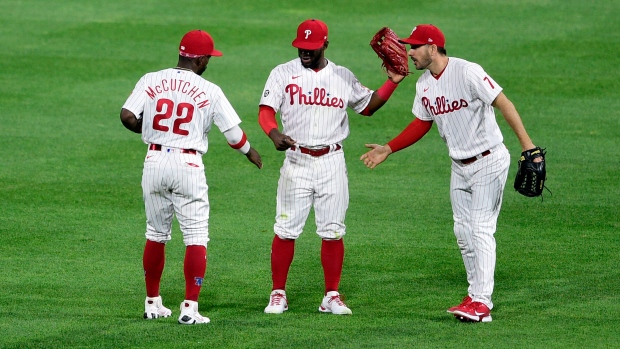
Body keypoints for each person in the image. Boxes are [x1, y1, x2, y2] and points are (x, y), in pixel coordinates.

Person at [360, 24, 541, 323]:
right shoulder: (424, 85)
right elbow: (422, 123)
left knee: (481, 228)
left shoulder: (467, 72)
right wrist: (388, 149)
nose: (409, 52)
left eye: (415, 47)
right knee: (462, 232)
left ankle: (482, 303)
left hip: (489, 160)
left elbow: (503, 102)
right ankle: (473, 295)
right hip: (459, 165)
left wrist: (528, 146)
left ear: (433, 48)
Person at [258, 19, 405, 315]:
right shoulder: (282, 73)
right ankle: (278, 293)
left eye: (311, 48)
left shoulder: (342, 76)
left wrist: (391, 83)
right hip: (296, 160)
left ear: (325, 45)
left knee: (333, 230)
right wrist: (274, 133)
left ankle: (331, 295)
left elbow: (368, 106)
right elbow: (265, 112)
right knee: (285, 229)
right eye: (301, 47)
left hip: (331, 162)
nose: (305, 53)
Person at [120, 29, 262, 325]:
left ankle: (152, 303)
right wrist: (250, 152)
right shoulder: (210, 90)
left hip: (154, 159)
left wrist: (152, 131)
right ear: (199, 59)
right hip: (188, 164)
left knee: (155, 233)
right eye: (208, 57)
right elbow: (234, 135)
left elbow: (127, 116)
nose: (209, 61)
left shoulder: (151, 79)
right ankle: (189, 308)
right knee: (196, 236)